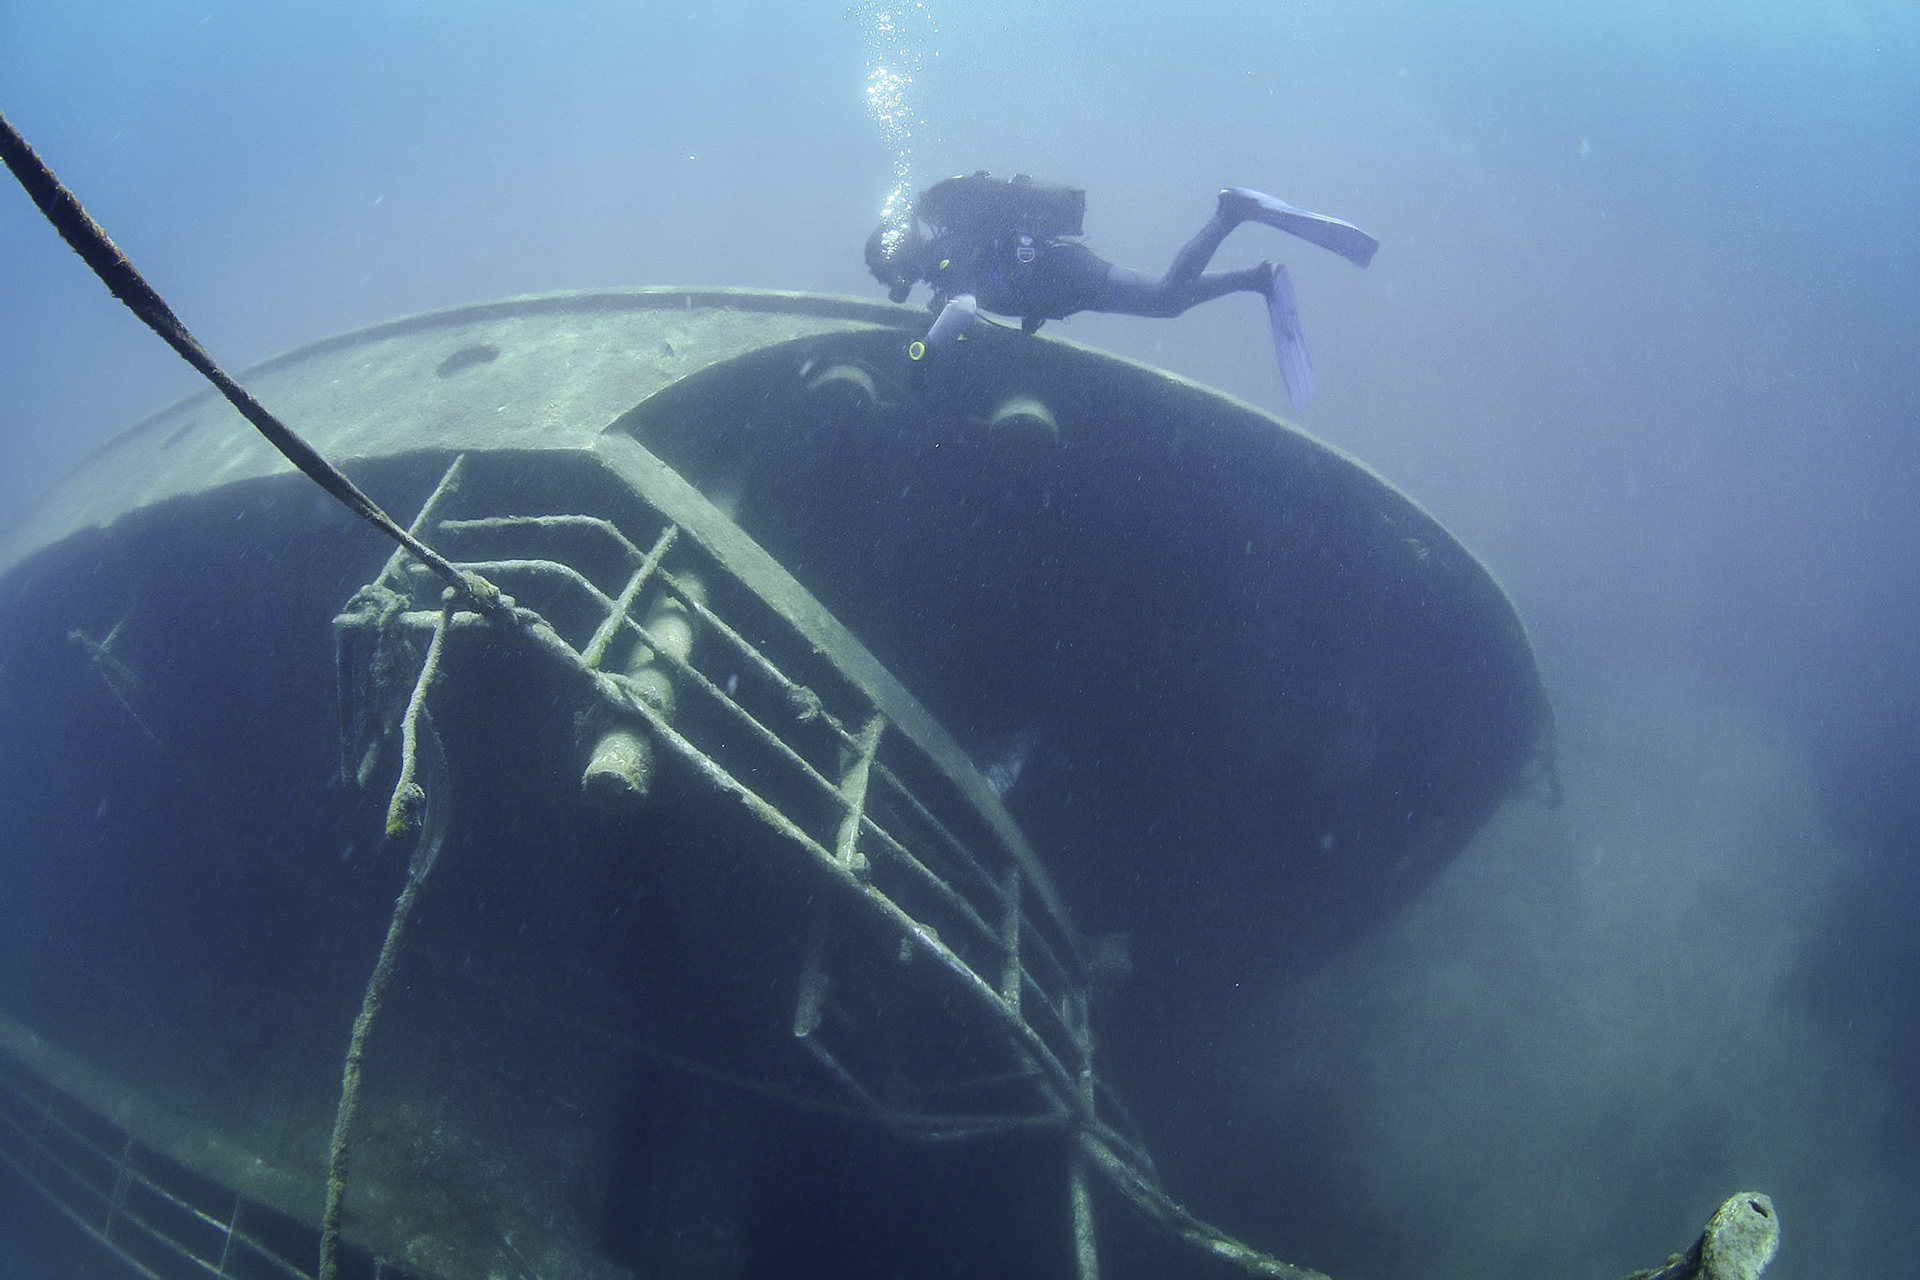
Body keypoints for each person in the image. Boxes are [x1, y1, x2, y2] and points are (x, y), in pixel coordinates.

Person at [865, 171, 1379, 411]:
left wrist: (924, 351)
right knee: (1170, 304)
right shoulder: (949, 253)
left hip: (1068, 276)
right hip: (1066, 283)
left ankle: (1232, 211)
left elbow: (964, 305)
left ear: (896, 259)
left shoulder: (944, 256)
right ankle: (1255, 279)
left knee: (1163, 295)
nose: (892, 284)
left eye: (885, 274)